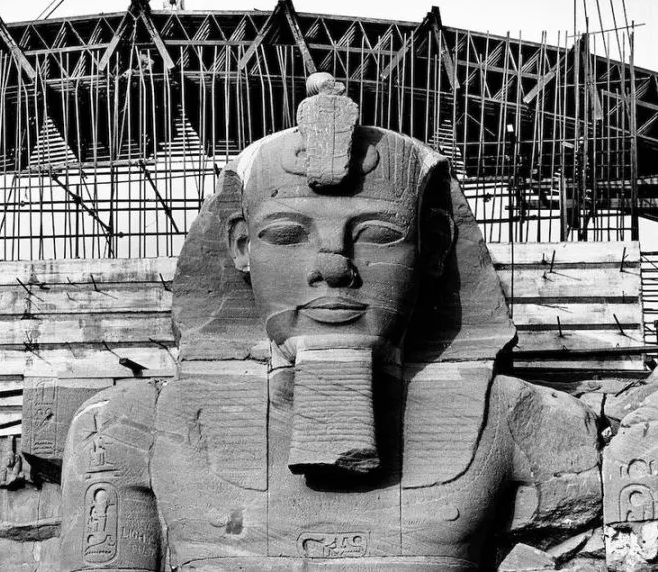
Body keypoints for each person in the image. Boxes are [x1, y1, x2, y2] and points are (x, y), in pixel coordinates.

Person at [57, 73, 605, 570]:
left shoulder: (525, 422)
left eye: (377, 234)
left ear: (434, 247)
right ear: (241, 248)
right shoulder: (129, 428)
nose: (334, 267)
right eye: (287, 235)